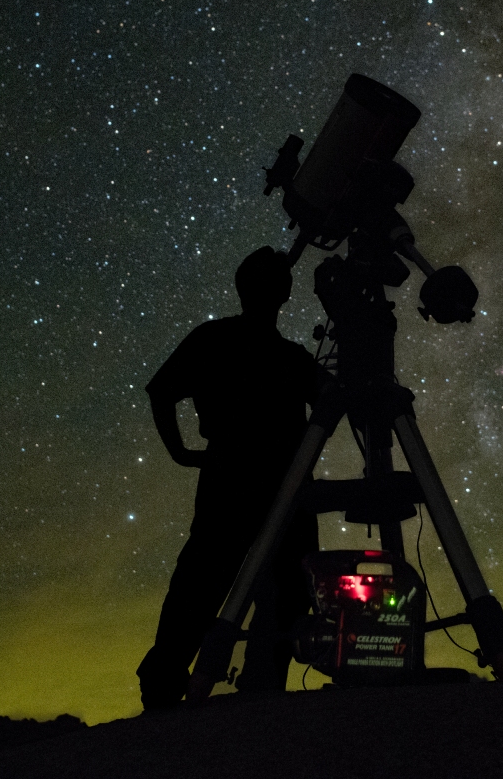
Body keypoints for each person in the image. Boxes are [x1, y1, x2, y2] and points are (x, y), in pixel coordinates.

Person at [137, 245, 325, 711]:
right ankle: (251, 690)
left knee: (204, 586)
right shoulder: (288, 357)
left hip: (245, 480)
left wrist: (182, 453)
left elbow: (162, 392)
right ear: (281, 292)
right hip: (272, 484)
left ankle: (171, 692)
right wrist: (181, 453)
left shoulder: (215, 339)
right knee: (223, 586)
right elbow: (161, 392)